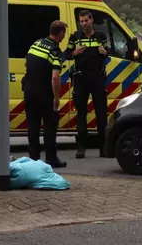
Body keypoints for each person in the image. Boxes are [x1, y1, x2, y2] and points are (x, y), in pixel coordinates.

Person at [22, 20, 68, 168]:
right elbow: (55, 77)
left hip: (29, 90)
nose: (63, 37)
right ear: (60, 33)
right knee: (49, 126)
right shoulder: (55, 51)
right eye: (63, 34)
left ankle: (34, 159)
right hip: (44, 93)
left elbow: (26, 63)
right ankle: (51, 158)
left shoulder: (36, 43)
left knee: (33, 126)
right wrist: (56, 97)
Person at [64, 10, 109, 159]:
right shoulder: (75, 37)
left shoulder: (101, 36)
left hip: (97, 77)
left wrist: (105, 52)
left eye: (86, 20)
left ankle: (103, 148)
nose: (84, 23)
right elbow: (66, 54)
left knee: (101, 114)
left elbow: (107, 52)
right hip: (81, 78)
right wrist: (73, 54)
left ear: (91, 20)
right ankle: (81, 148)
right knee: (81, 113)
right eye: (81, 21)